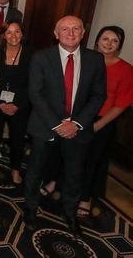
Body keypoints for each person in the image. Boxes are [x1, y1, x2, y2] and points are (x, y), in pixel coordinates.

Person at [23, 15, 106, 237]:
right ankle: (30, 209)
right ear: (55, 33)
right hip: (45, 126)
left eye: (76, 29)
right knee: (35, 171)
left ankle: (69, 214)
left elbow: (98, 96)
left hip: (78, 129)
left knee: (74, 174)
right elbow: (35, 93)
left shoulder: (95, 60)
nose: (71, 33)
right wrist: (57, 124)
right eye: (65, 29)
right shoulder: (41, 57)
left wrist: (76, 124)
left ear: (83, 33)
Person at [77, 26, 133, 216]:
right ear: (97, 41)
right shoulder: (84, 59)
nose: (109, 43)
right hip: (78, 116)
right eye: (105, 39)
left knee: (92, 159)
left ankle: (85, 197)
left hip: (103, 120)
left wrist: (97, 125)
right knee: (70, 153)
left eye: (114, 40)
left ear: (119, 45)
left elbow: (121, 104)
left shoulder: (126, 70)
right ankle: (57, 182)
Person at [0, 21, 31, 184]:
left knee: (17, 139)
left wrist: (17, 104)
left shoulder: (30, 55)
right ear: (3, 35)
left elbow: (33, 84)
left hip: (20, 104)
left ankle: (15, 169)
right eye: (9, 32)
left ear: (22, 34)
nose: (13, 36)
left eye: (17, 32)